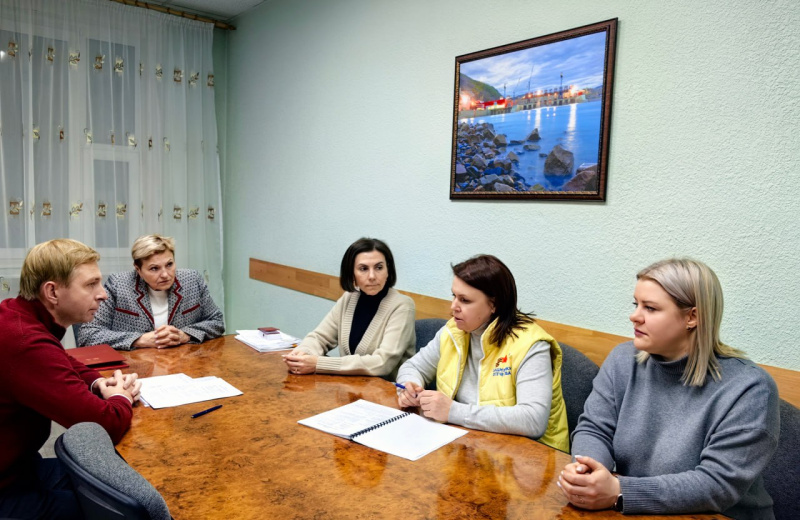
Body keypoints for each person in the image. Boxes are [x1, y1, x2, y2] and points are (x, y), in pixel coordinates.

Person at [559, 259, 779, 519]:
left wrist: (619, 491)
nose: (634, 316)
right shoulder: (623, 359)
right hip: (641, 512)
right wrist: (587, 471)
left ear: (692, 317)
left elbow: (717, 484)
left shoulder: (750, 389)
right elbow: (594, 428)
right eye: (636, 304)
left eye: (650, 308)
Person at [0, 239, 142, 519]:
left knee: (120, 485)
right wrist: (121, 398)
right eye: (91, 284)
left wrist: (98, 383)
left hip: (19, 467)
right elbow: (106, 424)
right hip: (7, 489)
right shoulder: (25, 342)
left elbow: (60, 358)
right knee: (118, 510)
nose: (103, 294)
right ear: (52, 291)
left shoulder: (16, 314)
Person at [396, 254, 569, 452]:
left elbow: (533, 419)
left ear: (494, 304)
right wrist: (409, 388)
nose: (453, 307)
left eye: (464, 300)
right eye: (454, 296)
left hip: (529, 457)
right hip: (470, 446)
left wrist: (453, 411)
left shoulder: (531, 345)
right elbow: (413, 367)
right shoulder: (453, 331)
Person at [284, 238, 415, 380]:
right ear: (352, 273)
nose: (372, 276)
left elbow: (382, 363)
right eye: (363, 269)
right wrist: (302, 354)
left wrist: (318, 364)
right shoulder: (349, 298)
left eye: (379, 267)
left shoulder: (402, 306)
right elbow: (320, 337)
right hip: (351, 386)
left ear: (388, 270)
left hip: (389, 389)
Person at [77, 234, 224, 350]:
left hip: (184, 364)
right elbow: (88, 334)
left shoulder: (192, 280)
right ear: (138, 269)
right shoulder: (119, 284)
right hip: (135, 368)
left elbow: (216, 322)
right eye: (154, 268)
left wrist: (185, 335)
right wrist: (139, 340)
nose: (165, 274)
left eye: (169, 264)